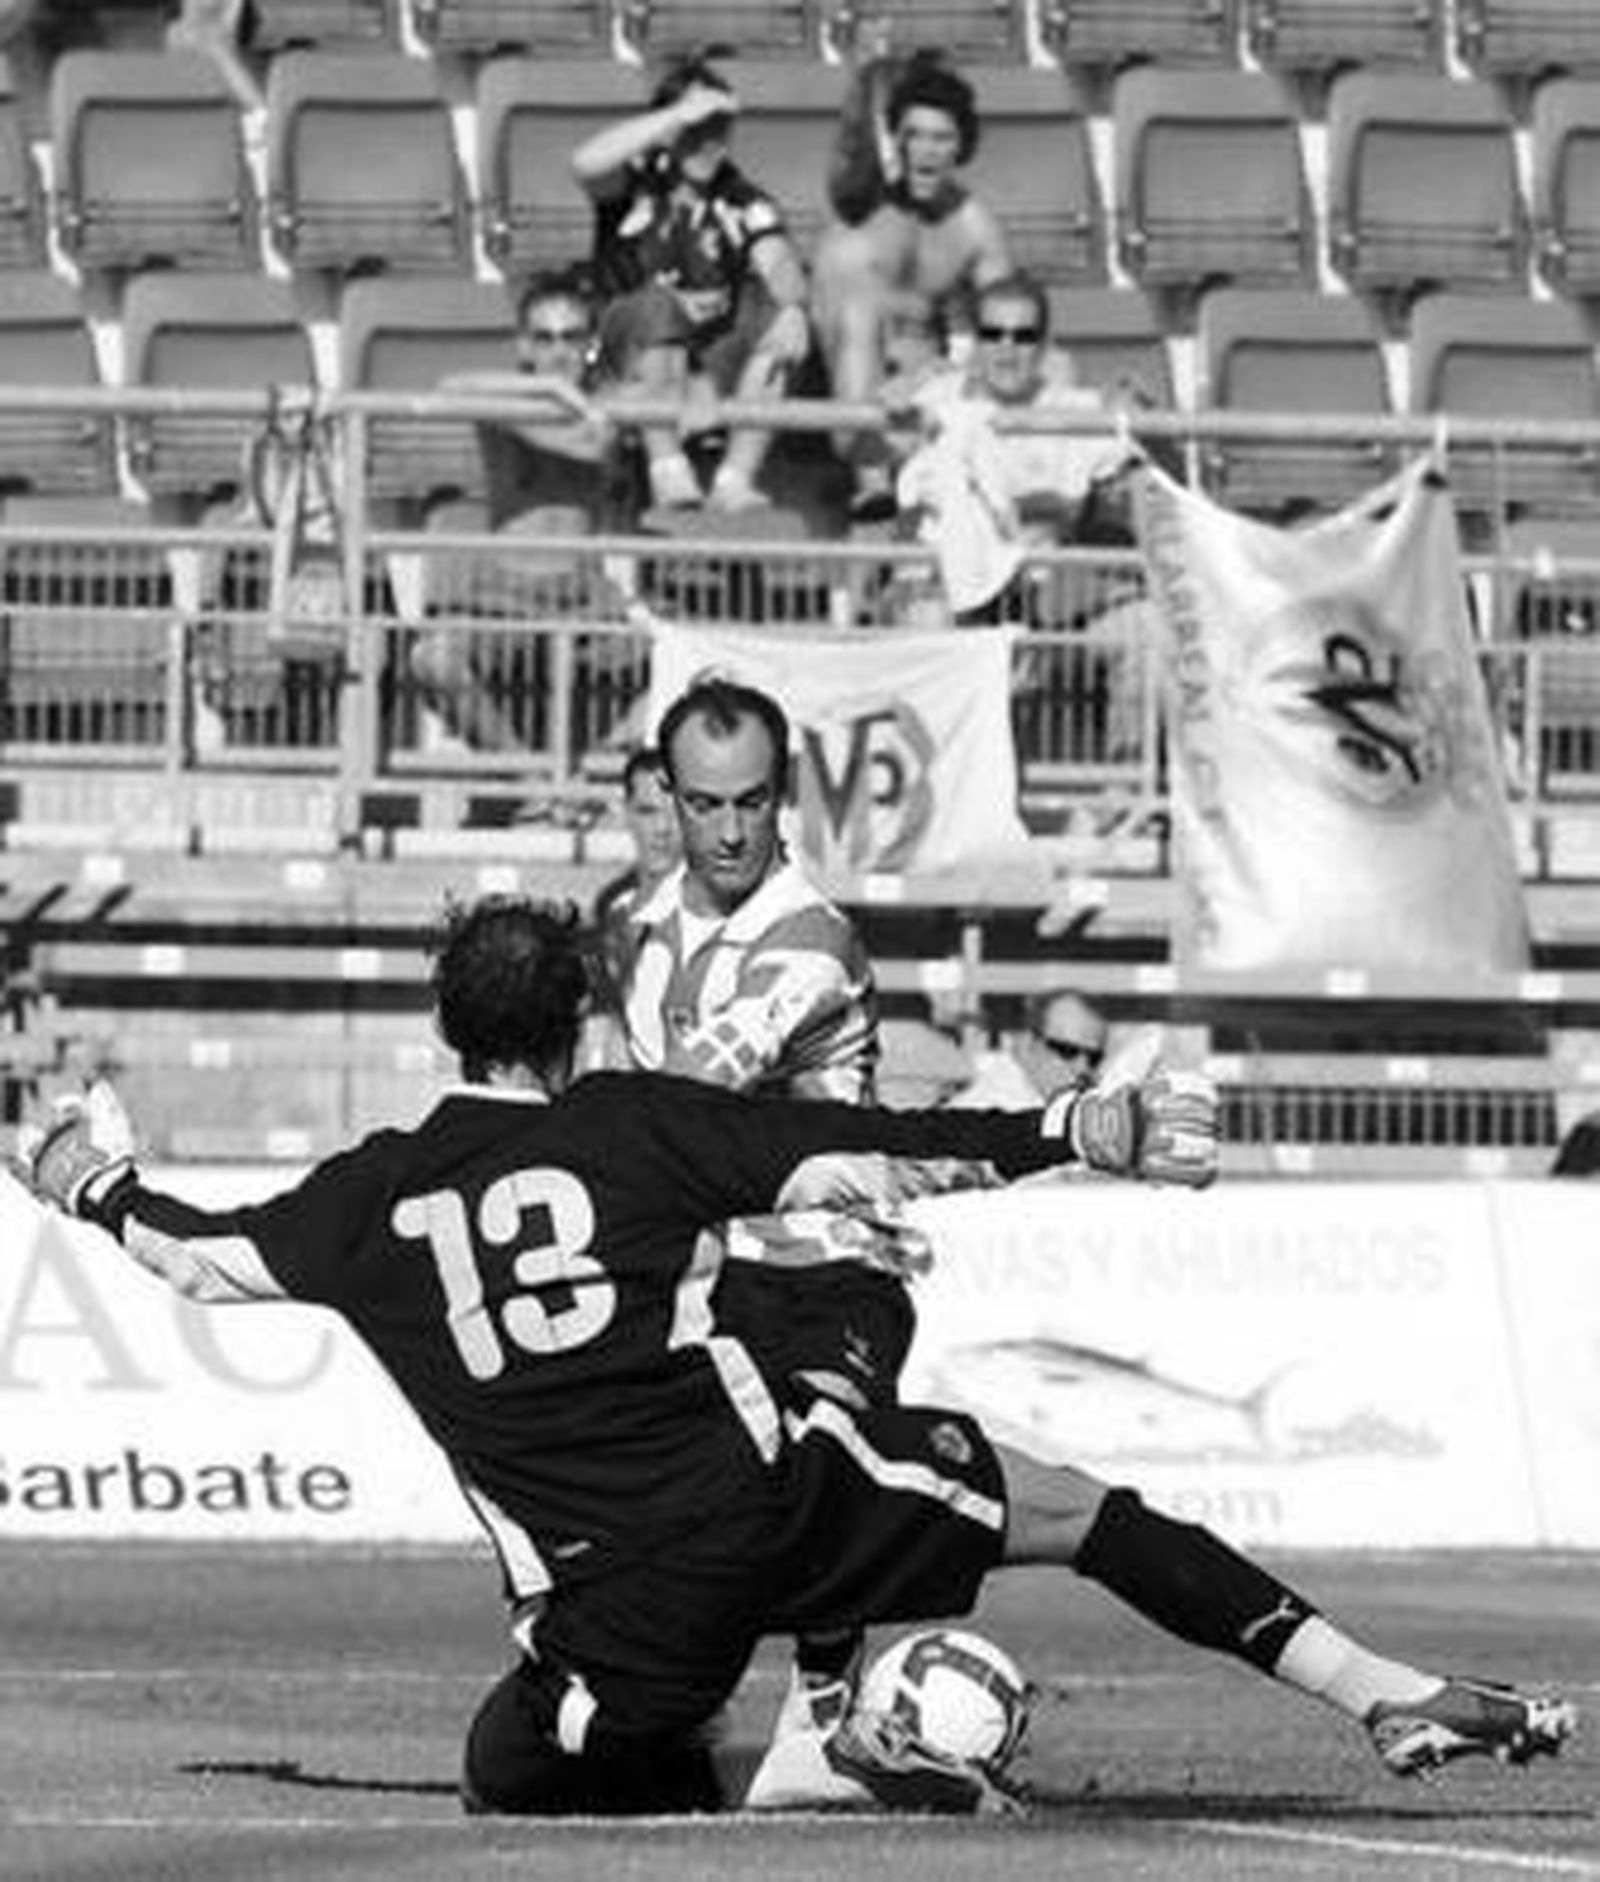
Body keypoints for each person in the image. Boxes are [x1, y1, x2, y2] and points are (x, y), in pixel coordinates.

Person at [13, 897, 1574, 1817]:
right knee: (1076, 1510)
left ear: (445, 1028)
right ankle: (1380, 1693)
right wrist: (1072, 1127)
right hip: (779, 1497)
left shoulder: (368, 1194)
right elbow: (864, 1148)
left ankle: (786, 1745)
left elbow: (195, 1260)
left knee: (511, 1771)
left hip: (614, 1608)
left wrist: (87, 1182)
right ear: (582, 1015)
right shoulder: (634, 1120)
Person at [616, 676, 902, 1804]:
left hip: (835, 1271)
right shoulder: (642, 939)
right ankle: (676, 1720)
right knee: (691, 1515)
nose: (730, 829)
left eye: (751, 802)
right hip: (722, 1277)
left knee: (824, 1475)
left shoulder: (811, 938)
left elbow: (684, 1103)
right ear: (665, 802)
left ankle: (822, 1730)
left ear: (782, 798)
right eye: (703, 804)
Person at [570, 50, 812, 516]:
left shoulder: (740, 198)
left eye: (719, 129)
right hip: (628, 358)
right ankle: (668, 470)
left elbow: (778, 259)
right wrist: (676, 114)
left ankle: (734, 479)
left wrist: (795, 308)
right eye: (697, 130)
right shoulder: (634, 184)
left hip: (706, 364)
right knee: (659, 307)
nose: (709, 143)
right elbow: (584, 163)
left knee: (778, 317)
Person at [416, 271, 643, 755]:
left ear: (590, 345)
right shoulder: (512, 405)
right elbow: (449, 389)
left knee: (694, 668)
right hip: (503, 592)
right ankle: (528, 779)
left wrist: (572, 404)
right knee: (433, 659)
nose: (557, 352)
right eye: (543, 339)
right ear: (523, 347)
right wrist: (558, 395)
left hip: (585, 595)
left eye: (570, 337)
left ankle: (594, 778)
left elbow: (592, 443)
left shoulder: (605, 409)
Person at [811, 49, 1012, 521]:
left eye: (941, 138)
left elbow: (1011, 320)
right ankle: (873, 482)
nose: (926, 150)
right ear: (893, 142)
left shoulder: (974, 227)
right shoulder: (856, 220)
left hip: (930, 389)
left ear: (961, 146)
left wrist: (936, 373)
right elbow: (831, 327)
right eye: (914, 137)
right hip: (846, 393)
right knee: (859, 311)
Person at [588, 744, 681, 1026]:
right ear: (627, 813)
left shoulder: (729, 906)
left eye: (675, 813)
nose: (662, 828)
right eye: (647, 812)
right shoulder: (612, 903)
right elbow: (609, 1013)